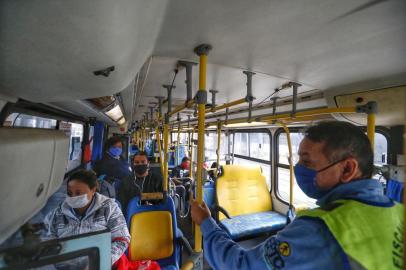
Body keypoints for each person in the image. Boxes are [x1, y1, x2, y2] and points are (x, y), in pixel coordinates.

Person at [191, 121, 404, 270]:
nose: (298, 169)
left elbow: (240, 265)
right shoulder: (397, 210)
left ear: (347, 169)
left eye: (307, 162)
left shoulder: (319, 228)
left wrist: (206, 223)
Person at [44, 170, 130, 266]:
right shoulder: (58, 213)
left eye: (78, 193)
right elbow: (47, 239)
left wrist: (100, 262)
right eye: (69, 193)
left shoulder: (108, 208)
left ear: (93, 190)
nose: (73, 197)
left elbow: (122, 239)